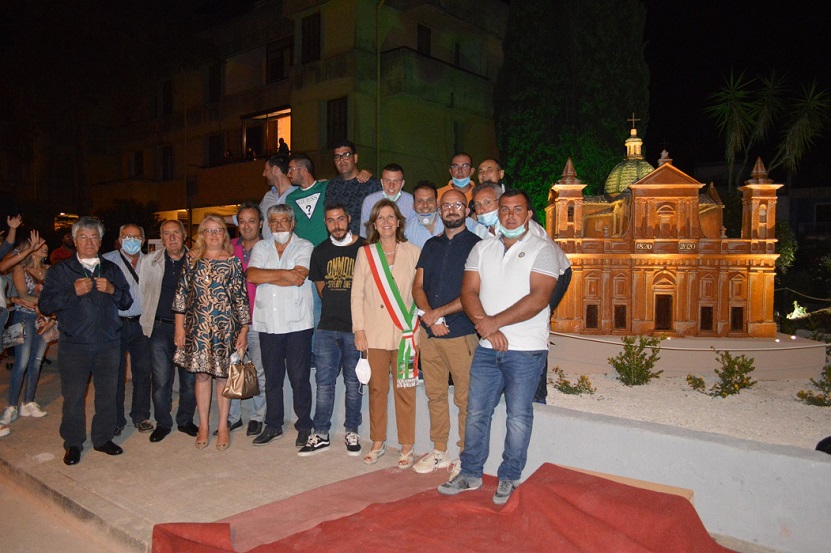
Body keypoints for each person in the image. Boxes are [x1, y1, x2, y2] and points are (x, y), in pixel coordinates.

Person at [438, 189, 563, 505]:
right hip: (486, 347)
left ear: (528, 214)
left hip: (526, 349)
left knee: (518, 416)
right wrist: (486, 326)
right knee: (476, 412)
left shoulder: (543, 249)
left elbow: (539, 297)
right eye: (504, 209)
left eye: (517, 209)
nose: (509, 215)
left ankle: (509, 477)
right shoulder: (483, 248)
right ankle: (470, 473)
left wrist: (493, 323)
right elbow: (468, 292)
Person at [39, 216, 133, 465]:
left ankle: (103, 438)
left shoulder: (111, 269)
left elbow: (127, 301)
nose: (89, 242)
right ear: (75, 240)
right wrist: (72, 291)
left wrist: (112, 290)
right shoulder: (60, 270)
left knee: (107, 394)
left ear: (100, 241)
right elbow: (45, 305)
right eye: (83, 237)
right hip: (74, 345)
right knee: (73, 397)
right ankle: (73, 443)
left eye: (94, 237)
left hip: (108, 343)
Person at [471, 181, 572, 402]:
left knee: (535, 321)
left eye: (487, 203)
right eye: (477, 205)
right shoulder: (485, 231)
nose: (482, 209)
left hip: (555, 273)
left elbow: (537, 287)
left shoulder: (523, 228)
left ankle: (536, 394)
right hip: (522, 272)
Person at [411, 189, 481, 475]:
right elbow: (417, 286)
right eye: (446, 206)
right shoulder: (431, 245)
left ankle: (465, 456)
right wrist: (430, 317)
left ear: (467, 210)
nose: (451, 210)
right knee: (435, 395)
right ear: (440, 211)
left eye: (457, 205)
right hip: (430, 334)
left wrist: (438, 314)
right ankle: (440, 450)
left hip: (460, 332)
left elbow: (473, 293)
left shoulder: (478, 246)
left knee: (465, 400)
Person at [351, 199, 420, 468]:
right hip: (375, 334)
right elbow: (357, 294)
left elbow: (420, 292)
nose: (386, 222)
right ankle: (378, 441)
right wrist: (359, 329)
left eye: (391, 217)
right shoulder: (366, 253)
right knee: (377, 389)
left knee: (405, 390)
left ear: (399, 221)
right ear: (374, 224)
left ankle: (407, 445)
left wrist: (416, 327)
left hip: (406, 335)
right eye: (380, 218)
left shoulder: (414, 252)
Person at [173, 215, 250, 451]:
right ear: (202, 235)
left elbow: (241, 299)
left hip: (226, 329)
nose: (214, 235)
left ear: (224, 234)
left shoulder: (233, 262)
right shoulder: (192, 260)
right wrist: (179, 328)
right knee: (201, 376)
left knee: (223, 378)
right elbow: (181, 295)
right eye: (209, 230)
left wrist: (244, 330)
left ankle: (223, 426)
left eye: (218, 230)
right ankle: (204, 426)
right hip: (197, 329)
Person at [300, 203, 365, 456]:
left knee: (353, 382)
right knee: (324, 383)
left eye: (340, 219)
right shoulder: (320, 252)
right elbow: (321, 289)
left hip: (356, 328)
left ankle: (352, 430)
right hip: (327, 328)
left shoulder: (365, 248)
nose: (336, 225)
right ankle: (321, 433)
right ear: (325, 223)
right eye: (330, 220)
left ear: (349, 219)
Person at [248, 204, 315, 448]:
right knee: (272, 379)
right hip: (268, 324)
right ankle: (273, 424)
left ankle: (304, 425)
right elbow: (252, 275)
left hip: (298, 324)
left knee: (299, 379)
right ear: (268, 224)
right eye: (274, 221)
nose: (279, 226)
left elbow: (299, 276)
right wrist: (284, 274)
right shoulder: (260, 247)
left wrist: (268, 275)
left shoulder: (305, 245)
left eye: (284, 220)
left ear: (292, 223)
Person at [138, 220, 198, 443]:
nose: (172, 238)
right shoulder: (149, 261)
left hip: (189, 330)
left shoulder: (196, 260)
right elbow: (143, 292)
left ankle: (185, 420)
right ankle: (163, 423)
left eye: (176, 233)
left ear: (184, 235)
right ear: (161, 238)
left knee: (189, 381)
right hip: (160, 328)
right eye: (166, 233)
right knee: (161, 381)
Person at [102, 224, 153, 436]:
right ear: (120, 238)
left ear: (143, 240)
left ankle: (141, 415)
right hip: (115, 323)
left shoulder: (150, 261)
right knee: (116, 373)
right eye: (127, 236)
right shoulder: (106, 260)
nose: (131, 240)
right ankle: (115, 419)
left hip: (142, 323)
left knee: (143, 372)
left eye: (136, 237)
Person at [0, 236, 53, 426]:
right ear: (30, 249)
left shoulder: (49, 270)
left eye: (45, 244)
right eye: (40, 245)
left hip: (44, 319)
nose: (45, 247)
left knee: (36, 361)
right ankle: (11, 405)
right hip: (25, 317)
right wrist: (47, 303)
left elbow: (55, 294)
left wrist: (51, 313)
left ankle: (28, 402)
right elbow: (23, 294)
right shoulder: (20, 269)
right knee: (21, 363)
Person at [225, 202, 267, 437]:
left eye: (252, 221)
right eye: (242, 221)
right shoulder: (228, 247)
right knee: (233, 369)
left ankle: (258, 416)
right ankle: (233, 417)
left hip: (259, 320)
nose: (247, 226)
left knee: (259, 370)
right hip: (232, 321)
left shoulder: (270, 248)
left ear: (260, 223)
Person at [324, 140, 382, 236]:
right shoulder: (332, 185)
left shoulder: (371, 185)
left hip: (365, 242)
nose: (342, 160)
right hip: (338, 241)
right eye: (337, 157)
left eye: (346, 155)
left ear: (355, 158)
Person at [360, 163, 415, 238]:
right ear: (382, 182)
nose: (391, 185)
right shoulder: (370, 201)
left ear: (402, 183)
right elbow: (364, 232)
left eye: (396, 181)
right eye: (387, 181)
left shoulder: (412, 201)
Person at [286, 153, 329, 247]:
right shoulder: (290, 198)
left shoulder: (326, 187)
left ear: (303, 170)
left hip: (326, 249)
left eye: (291, 169)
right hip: (303, 251)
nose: (288, 174)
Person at [260, 155, 296, 241]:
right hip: (268, 247)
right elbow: (253, 216)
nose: (264, 174)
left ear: (275, 169)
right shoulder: (268, 196)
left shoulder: (298, 194)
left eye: (266, 170)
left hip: (291, 247)